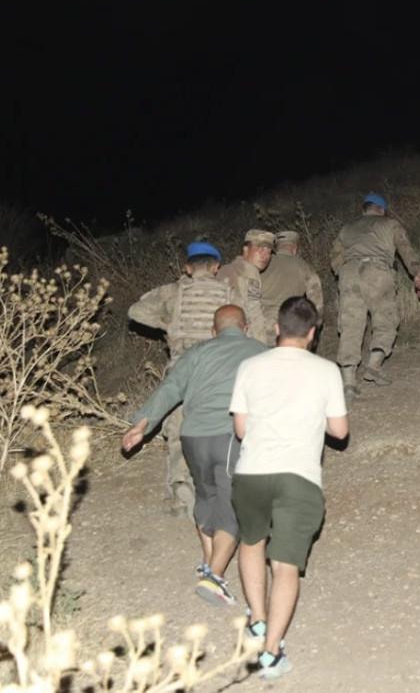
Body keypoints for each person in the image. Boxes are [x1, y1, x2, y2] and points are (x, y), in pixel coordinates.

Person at [229, 296, 348, 680]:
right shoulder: (326, 370)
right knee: (285, 566)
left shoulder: (249, 366)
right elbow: (339, 431)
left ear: (277, 328)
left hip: (251, 473)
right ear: (312, 334)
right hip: (298, 476)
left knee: (252, 543)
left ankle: (257, 620)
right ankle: (271, 653)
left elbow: (241, 430)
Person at [122, 305, 267, 606]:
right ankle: (214, 576)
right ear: (246, 327)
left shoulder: (197, 352)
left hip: (193, 436)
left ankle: (208, 561)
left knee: (206, 497)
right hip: (230, 434)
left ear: (213, 331)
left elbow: (171, 388)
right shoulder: (260, 352)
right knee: (232, 506)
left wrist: (141, 425)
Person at [127, 241, 233, 516]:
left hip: (182, 368)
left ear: (187, 268)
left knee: (178, 429)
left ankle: (180, 487)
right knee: (219, 425)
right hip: (217, 369)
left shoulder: (173, 291)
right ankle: (217, 485)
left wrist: (167, 323)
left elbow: (135, 311)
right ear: (216, 267)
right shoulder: (229, 292)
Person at [329, 193, 420, 398]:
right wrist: (417, 273)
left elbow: (335, 256)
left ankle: (349, 381)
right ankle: (374, 366)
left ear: (364, 209)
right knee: (386, 319)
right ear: (382, 210)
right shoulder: (390, 224)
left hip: (350, 272)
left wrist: (343, 273)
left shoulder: (347, 228)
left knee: (350, 325)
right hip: (377, 271)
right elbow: (405, 249)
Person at [217, 230, 274, 345]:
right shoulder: (250, 272)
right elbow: (254, 314)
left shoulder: (225, 269)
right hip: (239, 339)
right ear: (246, 249)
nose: (265, 256)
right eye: (260, 249)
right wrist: (261, 347)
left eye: (269, 251)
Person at [260, 230, 323, 328]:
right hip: (289, 324)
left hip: (260, 323)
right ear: (295, 248)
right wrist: (316, 324)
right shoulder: (304, 267)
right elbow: (316, 300)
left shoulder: (262, 263)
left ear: (276, 248)